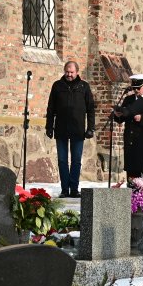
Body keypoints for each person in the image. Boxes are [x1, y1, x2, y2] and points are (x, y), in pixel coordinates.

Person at [45, 61, 95, 198]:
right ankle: (64, 189)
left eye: (72, 72)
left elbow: (91, 109)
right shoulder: (57, 86)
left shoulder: (84, 87)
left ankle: (74, 188)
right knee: (62, 160)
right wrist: (49, 126)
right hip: (61, 128)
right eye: (67, 72)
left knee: (76, 160)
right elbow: (51, 109)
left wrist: (91, 128)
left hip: (78, 129)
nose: (69, 74)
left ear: (77, 72)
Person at [112, 74, 143, 180]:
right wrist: (118, 116)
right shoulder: (128, 99)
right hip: (130, 139)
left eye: (138, 88)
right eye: (134, 88)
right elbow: (123, 118)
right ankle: (132, 193)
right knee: (131, 170)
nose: (136, 91)